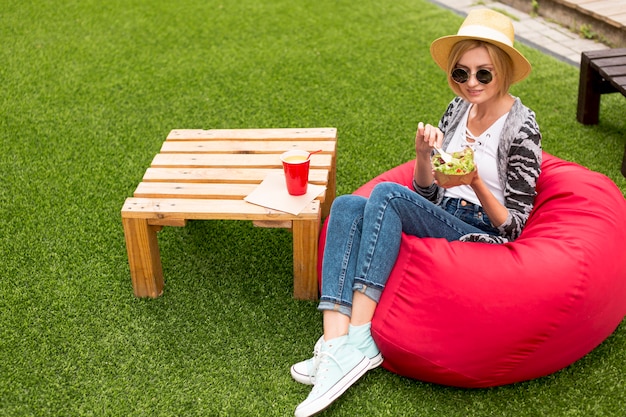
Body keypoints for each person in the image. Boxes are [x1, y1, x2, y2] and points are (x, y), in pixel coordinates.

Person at [290, 9, 542, 417]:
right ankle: (334, 345)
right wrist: (423, 155)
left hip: (480, 229)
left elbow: (514, 226)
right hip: (445, 209)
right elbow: (425, 189)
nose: (471, 84)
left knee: (386, 196)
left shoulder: (522, 127)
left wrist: (476, 181)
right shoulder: (457, 110)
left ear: (504, 72)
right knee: (348, 204)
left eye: (484, 74)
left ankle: (359, 339)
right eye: (462, 74)